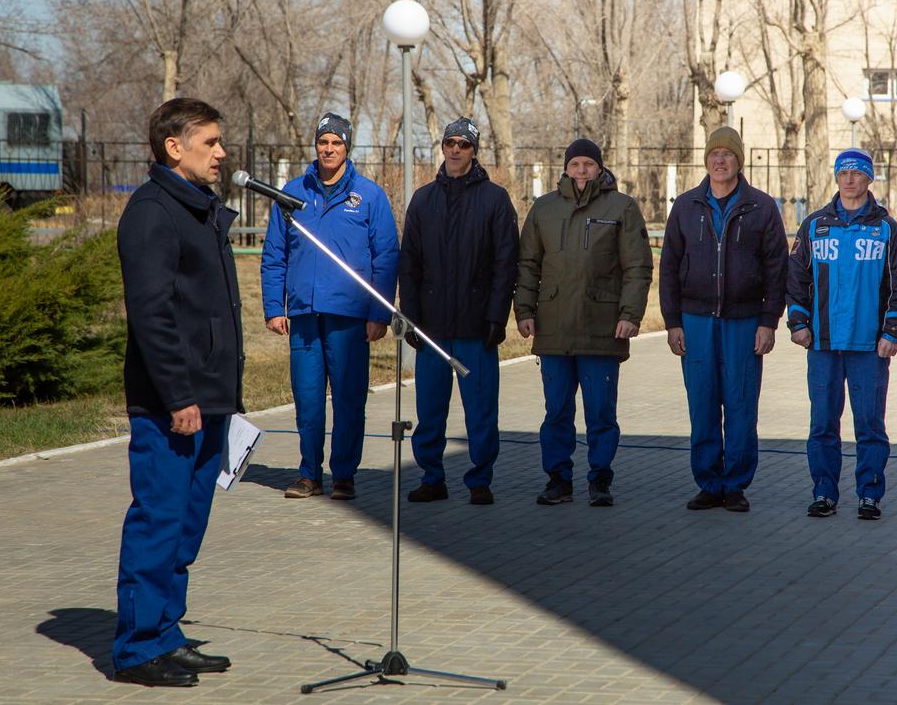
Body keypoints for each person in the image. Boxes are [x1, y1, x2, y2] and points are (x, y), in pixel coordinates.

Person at [112, 98, 241, 687]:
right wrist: (177, 396)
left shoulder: (200, 209)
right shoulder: (152, 212)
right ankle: (138, 649)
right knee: (159, 521)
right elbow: (153, 314)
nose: (220, 153)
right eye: (209, 142)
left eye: (220, 142)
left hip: (209, 399)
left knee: (187, 526)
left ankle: (167, 632)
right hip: (172, 406)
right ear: (174, 147)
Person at [261, 113, 398, 502]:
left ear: (347, 146)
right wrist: (275, 306)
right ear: (315, 146)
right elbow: (274, 254)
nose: (329, 149)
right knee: (307, 398)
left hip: (350, 316)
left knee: (349, 398)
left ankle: (343, 475)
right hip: (304, 314)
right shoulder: (291, 194)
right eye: (323, 142)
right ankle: (308, 474)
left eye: (336, 143)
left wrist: (379, 313)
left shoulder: (369, 196)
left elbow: (386, 257)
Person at [514, 138, 653, 507]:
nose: (581, 171)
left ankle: (600, 479)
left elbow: (637, 268)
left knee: (601, 411)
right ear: (565, 168)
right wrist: (524, 311)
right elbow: (527, 265)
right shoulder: (544, 209)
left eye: (588, 165)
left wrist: (630, 316)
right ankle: (558, 479)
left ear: (599, 167)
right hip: (554, 327)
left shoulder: (621, 207)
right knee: (556, 410)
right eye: (575, 164)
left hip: (602, 328)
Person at [659, 126, 787, 513]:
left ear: (739, 161)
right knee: (702, 403)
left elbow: (778, 269)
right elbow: (668, 267)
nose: (720, 160)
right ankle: (709, 483)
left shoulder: (761, 207)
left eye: (727, 154)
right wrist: (672, 321)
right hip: (695, 321)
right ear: (706, 161)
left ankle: (735, 485)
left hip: (744, 321)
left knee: (741, 403)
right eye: (714, 154)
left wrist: (769, 320)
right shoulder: (685, 206)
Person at [398, 117, 519, 505]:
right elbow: (409, 265)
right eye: (450, 142)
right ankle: (432, 477)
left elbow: (506, 265)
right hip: (432, 328)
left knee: (481, 411)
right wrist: (411, 318)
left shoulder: (495, 200)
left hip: (475, 327)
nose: (455, 150)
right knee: (429, 411)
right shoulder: (423, 199)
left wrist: (496, 318)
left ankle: (480, 479)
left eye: (463, 144)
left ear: (474, 150)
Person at [786, 148, 897, 520]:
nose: (850, 179)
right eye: (844, 172)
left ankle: (869, 494)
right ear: (837, 177)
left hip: (869, 346)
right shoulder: (814, 226)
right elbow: (796, 279)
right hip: (822, 344)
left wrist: (892, 331)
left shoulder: (887, 229)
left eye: (857, 173)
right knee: (823, 422)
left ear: (869, 178)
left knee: (870, 423)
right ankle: (824, 492)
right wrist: (798, 322)